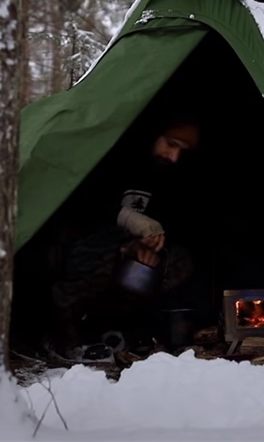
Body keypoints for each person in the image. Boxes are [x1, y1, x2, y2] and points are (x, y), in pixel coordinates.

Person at [46, 113, 201, 362]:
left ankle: (113, 329)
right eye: (171, 144)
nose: (173, 157)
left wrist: (149, 247)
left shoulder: (166, 174)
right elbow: (79, 209)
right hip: (79, 249)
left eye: (182, 152)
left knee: (174, 262)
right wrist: (125, 224)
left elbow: (173, 223)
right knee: (95, 257)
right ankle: (66, 337)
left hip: (125, 253)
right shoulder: (109, 155)